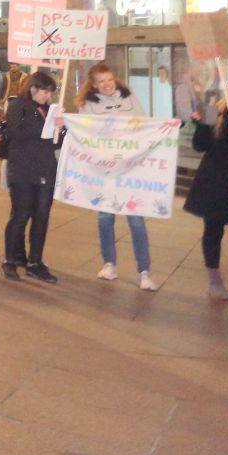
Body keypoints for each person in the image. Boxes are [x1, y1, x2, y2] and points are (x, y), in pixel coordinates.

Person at [78, 61, 156, 291]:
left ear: (115, 79)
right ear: (93, 85)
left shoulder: (129, 99)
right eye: (101, 82)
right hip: (105, 171)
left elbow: (144, 125)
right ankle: (109, 263)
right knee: (105, 218)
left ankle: (144, 271)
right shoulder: (88, 105)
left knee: (136, 220)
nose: (107, 85)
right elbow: (84, 132)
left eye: (109, 80)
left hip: (130, 169)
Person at [1, 71, 60, 283]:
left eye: (50, 93)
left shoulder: (49, 110)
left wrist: (60, 130)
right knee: (21, 215)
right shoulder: (18, 106)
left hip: (45, 168)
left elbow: (55, 142)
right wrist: (46, 126)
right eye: (44, 92)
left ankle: (36, 261)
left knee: (42, 216)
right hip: (23, 169)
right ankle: (10, 260)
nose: (47, 97)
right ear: (33, 88)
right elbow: (16, 133)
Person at [184, 101, 228, 300]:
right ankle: (215, 282)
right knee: (213, 230)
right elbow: (200, 145)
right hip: (216, 183)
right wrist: (202, 125)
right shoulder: (215, 111)